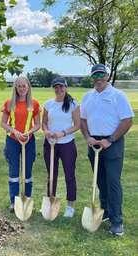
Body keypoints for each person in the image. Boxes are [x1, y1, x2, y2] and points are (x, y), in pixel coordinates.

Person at [80, 63, 134, 236]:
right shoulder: (87, 96)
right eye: (95, 76)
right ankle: (105, 212)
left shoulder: (118, 95)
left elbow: (127, 120)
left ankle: (117, 222)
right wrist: (88, 137)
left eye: (101, 75)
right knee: (100, 181)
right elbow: (82, 120)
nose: (98, 79)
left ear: (107, 76)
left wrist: (110, 140)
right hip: (93, 142)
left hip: (112, 143)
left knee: (112, 182)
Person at [42, 77, 80, 218]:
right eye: (56, 87)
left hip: (67, 144)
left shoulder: (73, 104)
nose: (59, 89)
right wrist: (46, 132)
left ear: (66, 87)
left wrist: (62, 133)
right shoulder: (48, 104)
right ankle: (50, 201)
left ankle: (70, 205)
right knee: (51, 174)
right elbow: (44, 123)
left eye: (61, 87)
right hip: (50, 144)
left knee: (69, 175)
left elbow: (77, 125)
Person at [1, 76, 41, 211]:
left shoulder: (34, 104)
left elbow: (38, 124)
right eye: (19, 86)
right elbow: (3, 123)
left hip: (29, 141)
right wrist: (14, 131)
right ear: (15, 88)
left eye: (24, 86)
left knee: (27, 170)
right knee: (13, 171)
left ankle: (27, 199)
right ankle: (14, 201)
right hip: (13, 140)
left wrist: (28, 132)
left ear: (28, 87)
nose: (22, 88)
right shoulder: (9, 103)